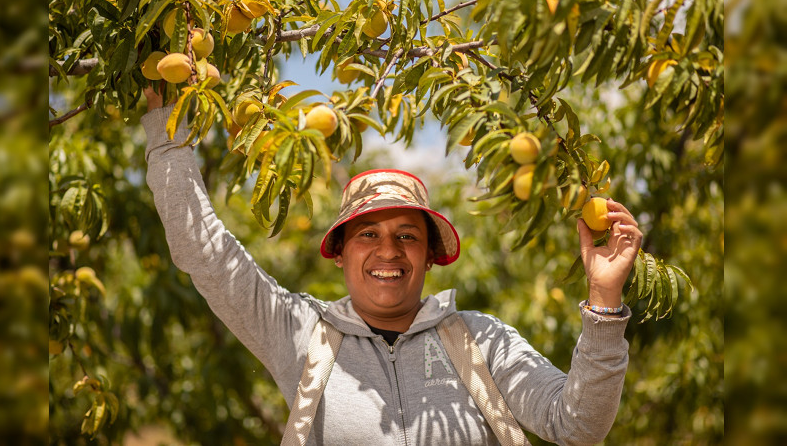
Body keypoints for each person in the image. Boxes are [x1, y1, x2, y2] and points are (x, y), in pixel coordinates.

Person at [141, 87, 643, 445]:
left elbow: (577, 427)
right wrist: (168, 128)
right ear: (339, 253)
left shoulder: (482, 340)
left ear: (429, 255)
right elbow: (201, 249)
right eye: (368, 235)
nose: (389, 251)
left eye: (407, 236)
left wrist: (603, 303)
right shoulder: (298, 333)